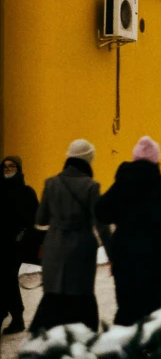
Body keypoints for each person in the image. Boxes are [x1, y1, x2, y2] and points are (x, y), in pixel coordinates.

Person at [96, 136, 161, 326]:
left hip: (124, 259)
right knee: (155, 312)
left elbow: (101, 212)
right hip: (155, 259)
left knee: (127, 309)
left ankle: (124, 349)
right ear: (156, 161)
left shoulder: (120, 186)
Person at [30, 139, 112, 333]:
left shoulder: (51, 183)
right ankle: (81, 340)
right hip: (81, 247)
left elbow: (40, 219)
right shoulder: (92, 186)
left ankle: (48, 341)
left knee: (54, 295)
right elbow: (101, 225)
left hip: (54, 245)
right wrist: (113, 256)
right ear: (88, 159)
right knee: (80, 296)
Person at [0, 156, 39, 335]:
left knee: (7, 278)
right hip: (1, 242)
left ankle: (16, 317)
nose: (8, 169)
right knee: (5, 279)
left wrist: (23, 234)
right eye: (5, 166)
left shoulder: (26, 192)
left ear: (19, 168)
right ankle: (11, 314)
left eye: (12, 166)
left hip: (17, 245)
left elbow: (35, 218)